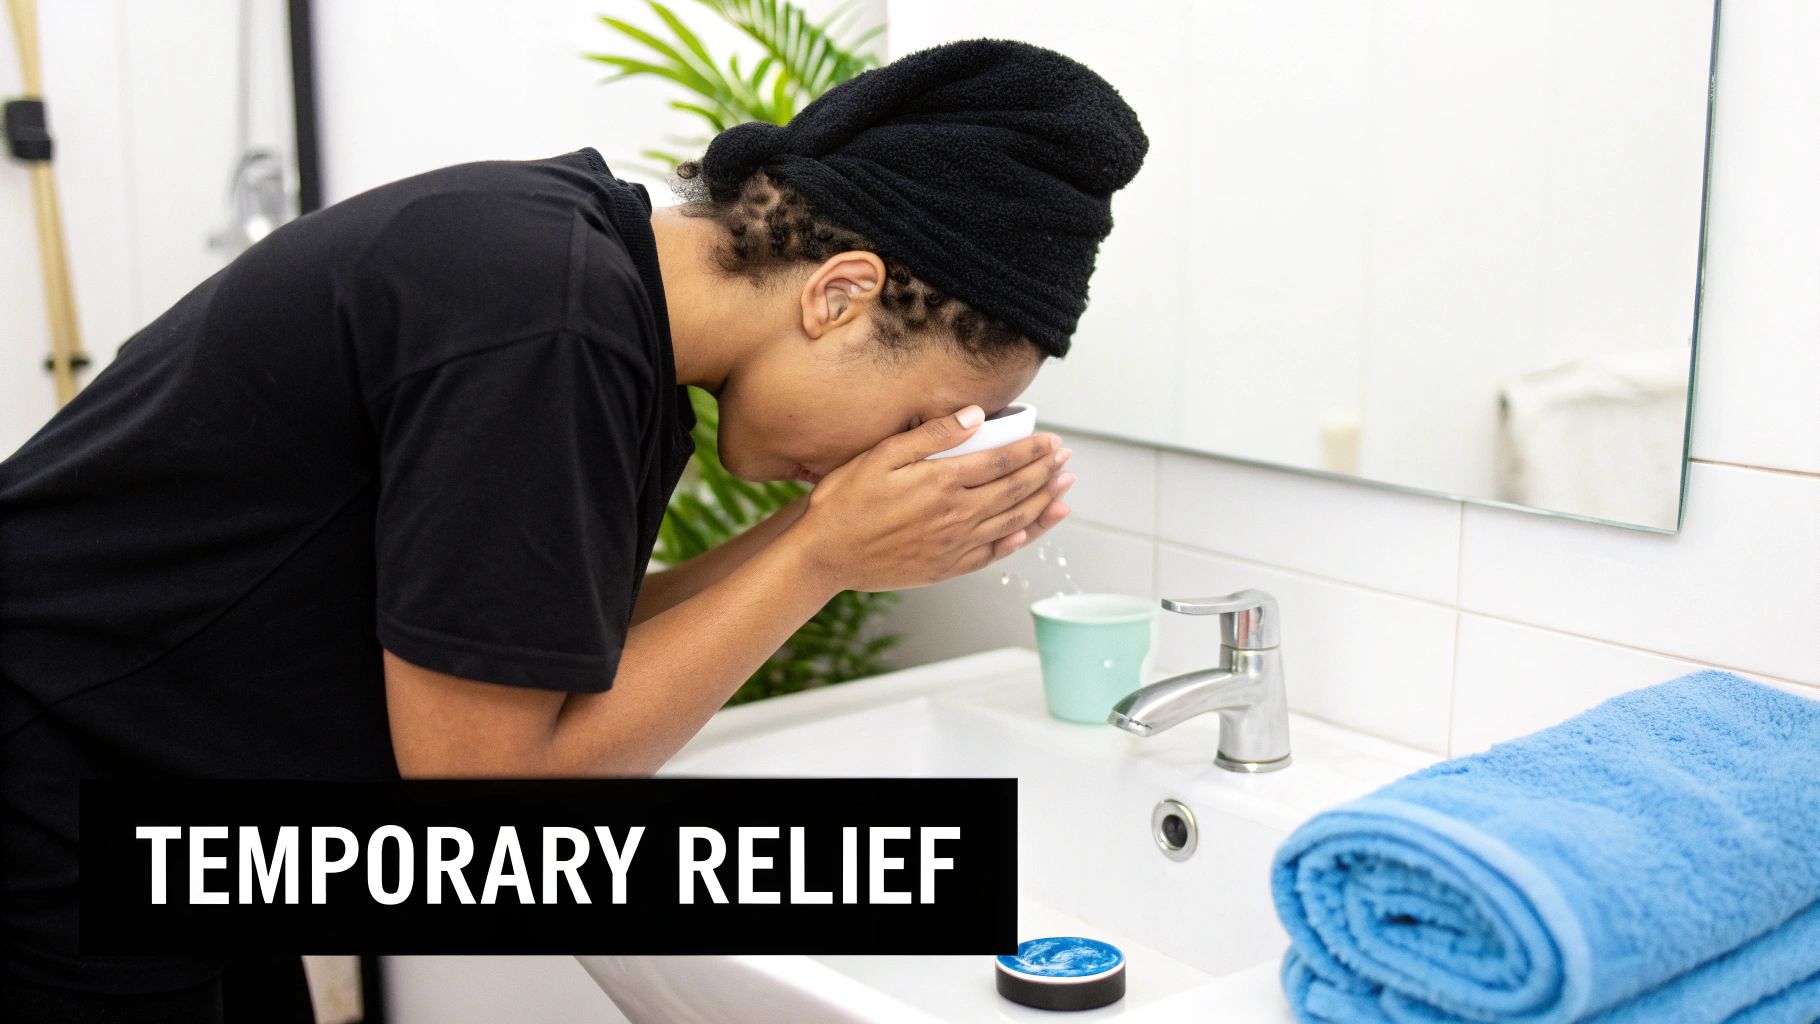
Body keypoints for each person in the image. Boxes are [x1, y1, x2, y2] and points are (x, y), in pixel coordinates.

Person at [0, 37, 1148, 1022]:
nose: (909, 446)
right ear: (838, 294)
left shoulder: (598, 295)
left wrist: (825, 535)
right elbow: (487, 799)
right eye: (915, 416)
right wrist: (817, 555)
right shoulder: (547, 325)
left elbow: (526, 645)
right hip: (49, 806)